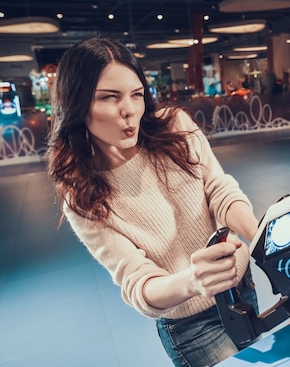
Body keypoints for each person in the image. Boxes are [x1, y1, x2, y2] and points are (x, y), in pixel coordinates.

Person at [46, 37, 258, 367]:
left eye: (136, 94)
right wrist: (193, 280)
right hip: (192, 326)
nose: (129, 109)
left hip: (241, 286)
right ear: (77, 104)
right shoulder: (82, 196)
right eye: (109, 97)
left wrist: (263, 235)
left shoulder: (176, 125)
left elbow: (219, 190)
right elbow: (138, 284)